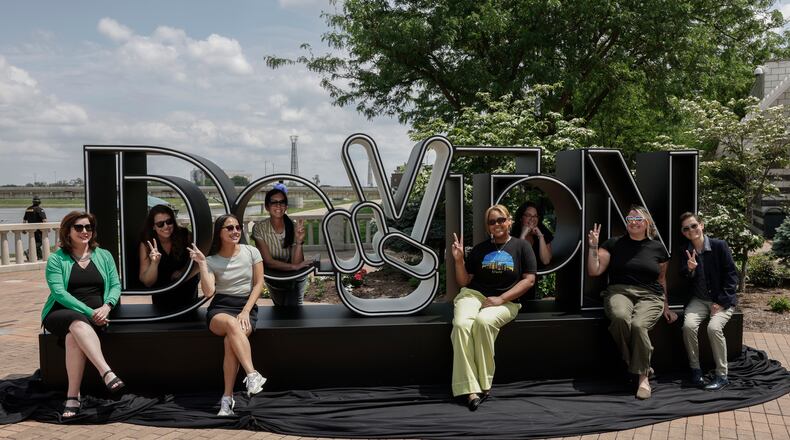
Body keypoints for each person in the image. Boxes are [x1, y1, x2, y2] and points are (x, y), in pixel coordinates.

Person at [450, 204, 537, 411]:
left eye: (500, 220)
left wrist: (501, 298)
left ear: (509, 221)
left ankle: (484, 382)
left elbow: (529, 280)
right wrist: (459, 260)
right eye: (492, 222)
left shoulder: (522, 246)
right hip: (474, 295)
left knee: (483, 321)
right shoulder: (480, 249)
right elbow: (464, 281)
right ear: (488, 227)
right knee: (462, 325)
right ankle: (469, 389)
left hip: (507, 301)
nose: (496, 224)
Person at [587, 205, 678, 400]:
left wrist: (666, 306)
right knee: (620, 318)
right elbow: (594, 271)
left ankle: (643, 378)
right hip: (620, 291)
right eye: (630, 219)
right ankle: (638, 365)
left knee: (638, 325)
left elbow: (662, 280)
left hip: (651, 295)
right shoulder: (613, 243)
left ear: (647, 223)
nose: (633, 222)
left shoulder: (658, 248)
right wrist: (593, 247)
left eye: (637, 219)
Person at [41, 211, 125, 418]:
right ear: (67, 232)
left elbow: (115, 284)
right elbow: (59, 293)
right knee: (76, 323)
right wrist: (89, 312)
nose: (85, 231)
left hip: (97, 314)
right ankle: (106, 372)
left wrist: (107, 306)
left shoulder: (103, 255)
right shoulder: (56, 259)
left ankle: (72, 396)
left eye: (88, 227)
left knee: (73, 338)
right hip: (60, 312)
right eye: (78, 227)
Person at [189, 214, 267, 416]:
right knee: (232, 325)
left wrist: (246, 311)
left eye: (237, 227)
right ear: (220, 233)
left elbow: (259, 284)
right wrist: (202, 264)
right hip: (220, 308)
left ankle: (226, 399)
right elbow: (208, 292)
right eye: (229, 228)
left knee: (229, 343)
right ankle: (252, 374)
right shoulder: (212, 260)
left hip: (246, 307)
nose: (235, 231)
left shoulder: (252, 252)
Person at [679, 212, 739, 391]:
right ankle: (695, 369)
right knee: (688, 326)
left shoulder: (719, 246)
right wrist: (689, 270)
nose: (691, 230)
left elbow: (732, 276)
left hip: (721, 299)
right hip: (698, 300)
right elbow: (683, 277)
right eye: (686, 228)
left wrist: (721, 302)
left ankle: (722, 375)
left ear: (701, 225)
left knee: (713, 328)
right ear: (683, 232)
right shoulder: (686, 250)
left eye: (694, 226)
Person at [251, 185, 311, 306]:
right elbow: (268, 261)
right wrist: (294, 266)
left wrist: (299, 241)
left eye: (282, 202)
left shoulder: (293, 226)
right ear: (267, 207)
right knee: (280, 308)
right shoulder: (259, 228)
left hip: (295, 278)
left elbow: (298, 262)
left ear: (286, 206)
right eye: (274, 202)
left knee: (295, 308)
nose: (278, 206)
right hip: (275, 277)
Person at [138, 205, 199, 309]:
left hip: (186, 293)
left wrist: (184, 272)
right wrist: (154, 263)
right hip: (162, 297)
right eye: (160, 224)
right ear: (153, 226)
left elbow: (200, 262)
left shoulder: (185, 236)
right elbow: (147, 282)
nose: (166, 226)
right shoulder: (147, 245)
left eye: (169, 221)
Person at [511, 202, 553, 301]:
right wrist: (523, 236)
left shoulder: (543, 231)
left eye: (535, 216)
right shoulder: (513, 231)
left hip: (533, 276)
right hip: (514, 277)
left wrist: (541, 236)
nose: (532, 219)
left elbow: (546, 260)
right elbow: (516, 261)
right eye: (528, 215)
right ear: (521, 217)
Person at [23, 196, 47, 260]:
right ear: (39, 202)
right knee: (40, 242)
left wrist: (24, 229)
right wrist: (47, 228)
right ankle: (28, 251)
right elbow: (44, 220)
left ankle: (40, 256)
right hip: (39, 230)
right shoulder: (40, 209)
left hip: (31, 229)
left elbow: (24, 220)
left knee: (35, 242)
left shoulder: (28, 209)